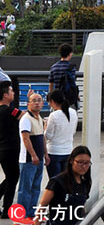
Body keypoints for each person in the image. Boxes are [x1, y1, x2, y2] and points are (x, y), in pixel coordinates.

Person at [35, 146, 92, 225]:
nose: (84, 166)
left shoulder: (85, 183)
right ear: (71, 161)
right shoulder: (57, 182)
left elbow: (81, 207)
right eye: (80, 162)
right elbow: (42, 207)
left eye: (87, 163)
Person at [18, 92, 46, 220]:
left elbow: (42, 138)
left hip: (39, 159)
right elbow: (26, 139)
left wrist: (45, 154)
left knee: (36, 187)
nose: (37, 102)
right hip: (28, 160)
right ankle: (22, 214)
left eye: (39, 100)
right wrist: (33, 155)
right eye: (34, 100)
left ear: (43, 103)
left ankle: (31, 212)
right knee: (25, 188)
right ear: (28, 104)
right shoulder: (26, 119)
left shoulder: (40, 118)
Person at [44, 90, 77, 179]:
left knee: (55, 181)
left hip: (54, 151)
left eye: (49, 102)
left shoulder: (54, 115)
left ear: (52, 101)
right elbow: (73, 132)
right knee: (65, 180)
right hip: (68, 150)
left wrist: (45, 127)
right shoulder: (73, 112)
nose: (49, 105)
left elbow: (48, 136)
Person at [0, 81, 22, 217]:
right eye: (11, 91)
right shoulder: (9, 111)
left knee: (10, 177)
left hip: (2, 149)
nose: (13, 93)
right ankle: (7, 209)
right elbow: (24, 115)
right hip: (11, 149)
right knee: (13, 178)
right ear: (5, 95)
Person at [48, 44, 78, 108]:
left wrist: (50, 96)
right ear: (70, 54)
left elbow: (51, 84)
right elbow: (72, 82)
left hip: (57, 98)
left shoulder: (54, 67)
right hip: (68, 98)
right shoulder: (71, 67)